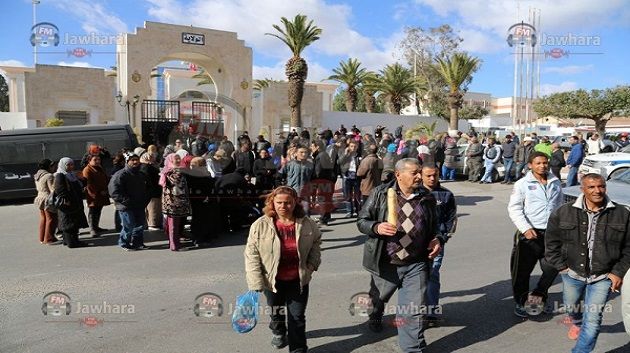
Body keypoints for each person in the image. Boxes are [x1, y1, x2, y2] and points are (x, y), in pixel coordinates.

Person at [357, 158, 441, 352]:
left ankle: (411, 347)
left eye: (419, 172)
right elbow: (362, 221)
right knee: (378, 300)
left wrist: (437, 239)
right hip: (386, 262)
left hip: (416, 263)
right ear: (398, 175)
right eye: (414, 173)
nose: (419, 176)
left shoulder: (426, 197)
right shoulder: (380, 194)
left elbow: (434, 226)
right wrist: (376, 227)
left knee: (412, 309)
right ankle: (375, 316)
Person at [545, 173, 630, 351]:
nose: (597, 191)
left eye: (601, 186)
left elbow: (629, 248)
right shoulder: (563, 212)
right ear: (582, 190)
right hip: (572, 273)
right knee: (571, 307)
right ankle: (576, 322)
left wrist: (617, 272)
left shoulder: (622, 214)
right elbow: (551, 243)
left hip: (603, 276)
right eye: (591, 187)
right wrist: (562, 267)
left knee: (593, 320)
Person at [245, 186, 321, 353]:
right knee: (276, 312)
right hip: (272, 281)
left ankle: (298, 349)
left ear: (295, 203)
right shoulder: (260, 225)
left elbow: (316, 242)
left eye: (288, 203)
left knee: (297, 318)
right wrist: (255, 282)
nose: (283, 206)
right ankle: (279, 332)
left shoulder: (307, 223)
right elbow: (251, 254)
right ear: (272, 202)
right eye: (279, 202)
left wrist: (311, 266)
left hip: (298, 279)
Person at [507, 151, 563, 317]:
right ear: (530, 165)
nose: (542, 166)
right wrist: (525, 228)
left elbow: (559, 205)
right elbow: (514, 208)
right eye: (538, 163)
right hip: (529, 234)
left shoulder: (555, 182)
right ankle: (520, 301)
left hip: (551, 234)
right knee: (522, 272)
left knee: (553, 267)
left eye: (545, 163)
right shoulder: (522, 184)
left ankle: (538, 295)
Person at [421, 165, 457, 323]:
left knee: (433, 274)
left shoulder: (447, 195)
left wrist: (442, 238)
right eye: (428, 175)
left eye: (434, 175)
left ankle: (431, 313)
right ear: (420, 175)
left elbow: (451, 220)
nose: (432, 178)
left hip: (436, 243)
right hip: (415, 243)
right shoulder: (413, 193)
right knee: (413, 277)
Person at [109, 152, 149, 251]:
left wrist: (145, 199)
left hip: (139, 205)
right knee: (129, 225)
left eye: (137, 159)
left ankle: (138, 243)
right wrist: (126, 201)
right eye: (132, 160)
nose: (135, 162)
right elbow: (114, 191)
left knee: (140, 225)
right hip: (125, 206)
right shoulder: (120, 175)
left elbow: (149, 188)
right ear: (127, 162)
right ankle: (124, 243)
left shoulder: (141, 174)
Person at [54, 157, 89, 248]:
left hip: (75, 202)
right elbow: (59, 189)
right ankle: (72, 243)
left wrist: (82, 179)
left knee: (73, 223)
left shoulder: (71, 174)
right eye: (68, 165)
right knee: (69, 223)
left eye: (72, 164)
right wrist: (66, 200)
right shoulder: (60, 175)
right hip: (68, 203)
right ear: (62, 165)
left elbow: (80, 185)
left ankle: (68, 241)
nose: (70, 166)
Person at [160, 153, 191, 251]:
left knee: (174, 224)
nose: (178, 161)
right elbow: (177, 181)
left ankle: (175, 243)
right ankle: (174, 245)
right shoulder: (171, 171)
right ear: (170, 160)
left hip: (178, 202)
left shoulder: (174, 170)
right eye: (175, 159)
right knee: (173, 225)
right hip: (173, 203)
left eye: (179, 159)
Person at [82, 155, 111, 237]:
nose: (98, 161)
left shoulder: (99, 168)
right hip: (93, 195)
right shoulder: (87, 170)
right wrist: (99, 191)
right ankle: (92, 229)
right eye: (95, 160)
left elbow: (105, 178)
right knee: (93, 212)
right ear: (89, 161)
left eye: (99, 159)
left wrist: (106, 189)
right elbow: (89, 184)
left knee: (98, 210)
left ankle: (96, 226)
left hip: (102, 193)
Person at [282, 146, 314, 216]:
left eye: (305, 152)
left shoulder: (310, 165)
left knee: (306, 212)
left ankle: (306, 226)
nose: (304, 154)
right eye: (301, 152)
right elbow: (281, 174)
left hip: (305, 193)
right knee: (292, 213)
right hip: (292, 192)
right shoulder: (289, 164)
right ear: (296, 153)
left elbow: (313, 178)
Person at [310, 140, 335, 225]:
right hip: (327, 179)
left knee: (323, 200)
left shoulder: (320, 156)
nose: (311, 148)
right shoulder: (323, 154)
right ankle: (326, 216)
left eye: (312, 146)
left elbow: (318, 171)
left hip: (322, 181)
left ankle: (324, 218)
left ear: (317, 147)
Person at [34, 159, 59, 244]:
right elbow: (52, 190)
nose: (54, 168)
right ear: (49, 166)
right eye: (52, 166)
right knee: (51, 219)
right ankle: (48, 239)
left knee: (43, 219)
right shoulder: (49, 176)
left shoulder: (38, 175)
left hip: (40, 198)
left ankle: (42, 238)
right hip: (48, 200)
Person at [338, 140, 362, 218]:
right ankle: (349, 211)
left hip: (356, 176)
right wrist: (345, 154)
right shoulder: (345, 154)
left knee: (357, 195)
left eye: (355, 146)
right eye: (351, 146)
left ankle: (358, 211)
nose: (353, 148)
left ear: (357, 147)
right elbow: (339, 162)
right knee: (347, 195)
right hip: (347, 176)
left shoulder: (359, 155)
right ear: (348, 146)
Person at [139, 153, 162, 230]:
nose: (152, 158)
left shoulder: (145, 166)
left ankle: (151, 223)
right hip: (153, 191)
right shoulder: (146, 167)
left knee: (152, 208)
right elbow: (148, 179)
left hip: (151, 190)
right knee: (153, 208)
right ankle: (153, 224)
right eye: (151, 157)